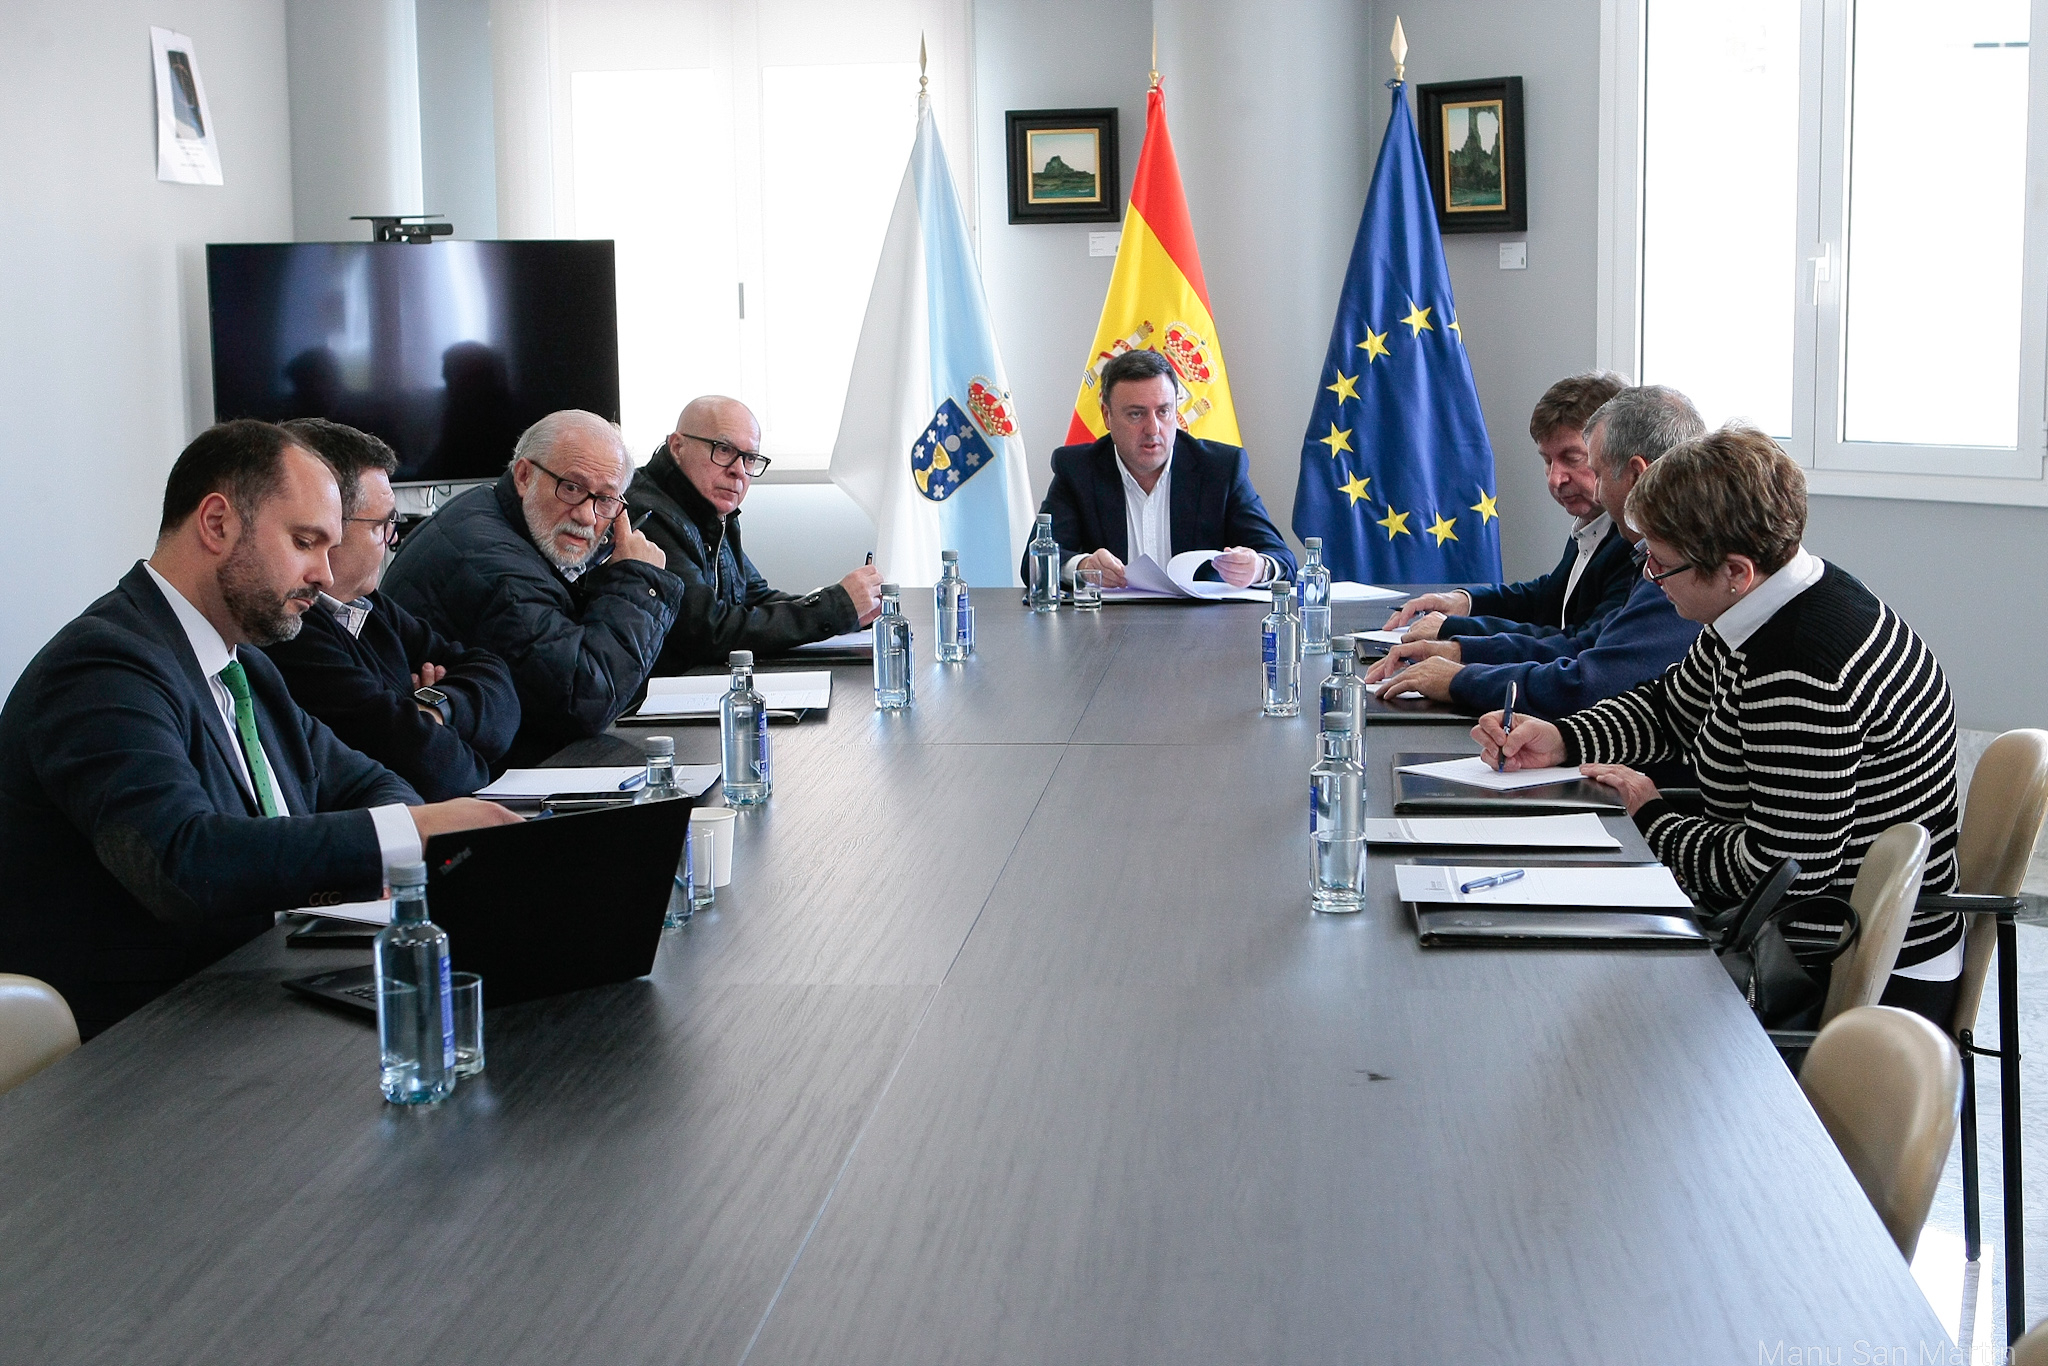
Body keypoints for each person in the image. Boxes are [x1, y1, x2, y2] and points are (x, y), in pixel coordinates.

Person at [0, 420, 520, 1037]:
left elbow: (370, 784)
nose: (324, 574)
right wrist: (415, 831)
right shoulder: (102, 667)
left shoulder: (246, 667)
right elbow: (183, 861)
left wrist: (398, 829)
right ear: (217, 523)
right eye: (305, 542)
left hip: (250, 998)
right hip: (137, 1041)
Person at [1474, 425, 1963, 1019]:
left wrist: (1651, 818)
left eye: (1661, 565)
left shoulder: (1799, 673)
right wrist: (1561, 738)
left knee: (1557, 991)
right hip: (1797, 931)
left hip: (1833, 967)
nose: (1649, 578)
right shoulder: (1773, 600)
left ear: (1735, 570)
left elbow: (1778, 873)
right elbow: (1671, 708)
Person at [1366, 385, 1705, 718]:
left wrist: (1460, 672)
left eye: (1593, 470)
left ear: (1636, 474)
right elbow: (1556, 607)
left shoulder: (1673, 566)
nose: (1558, 480)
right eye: (1547, 461)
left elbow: (1589, 675)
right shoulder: (1649, 550)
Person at [382, 410, 685, 766]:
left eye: (606, 499)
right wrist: (639, 580)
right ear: (524, 475)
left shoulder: (495, 509)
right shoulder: (497, 570)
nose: (587, 516)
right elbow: (585, 701)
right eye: (571, 488)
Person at [261, 419, 521, 801]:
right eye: (381, 525)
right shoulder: (291, 631)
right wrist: (441, 726)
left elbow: (499, 685)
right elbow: (441, 773)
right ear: (328, 524)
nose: (392, 538)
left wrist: (434, 707)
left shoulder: (367, 604)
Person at [629, 395, 882, 670]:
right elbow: (708, 631)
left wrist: (849, 612)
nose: (738, 471)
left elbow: (755, 598)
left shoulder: (711, 510)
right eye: (723, 449)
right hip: (659, 691)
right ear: (678, 447)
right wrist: (835, 607)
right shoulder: (648, 515)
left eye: (749, 458)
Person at [1383, 371, 1631, 640]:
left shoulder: (1633, 541)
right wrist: (1466, 603)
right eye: (1547, 461)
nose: (1555, 479)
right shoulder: (1592, 523)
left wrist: (1454, 631)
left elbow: (1584, 643)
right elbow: (1548, 599)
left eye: (1571, 458)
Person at [1026, 348, 1296, 589]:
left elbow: (1281, 558)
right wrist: (1083, 567)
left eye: (1164, 412)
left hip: (1202, 626)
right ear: (1107, 416)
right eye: (1136, 414)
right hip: (1110, 626)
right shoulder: (1078, 470)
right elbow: (1033, 562)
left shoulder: (1220, 468)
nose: (1153, 429)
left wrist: (1258, 568)